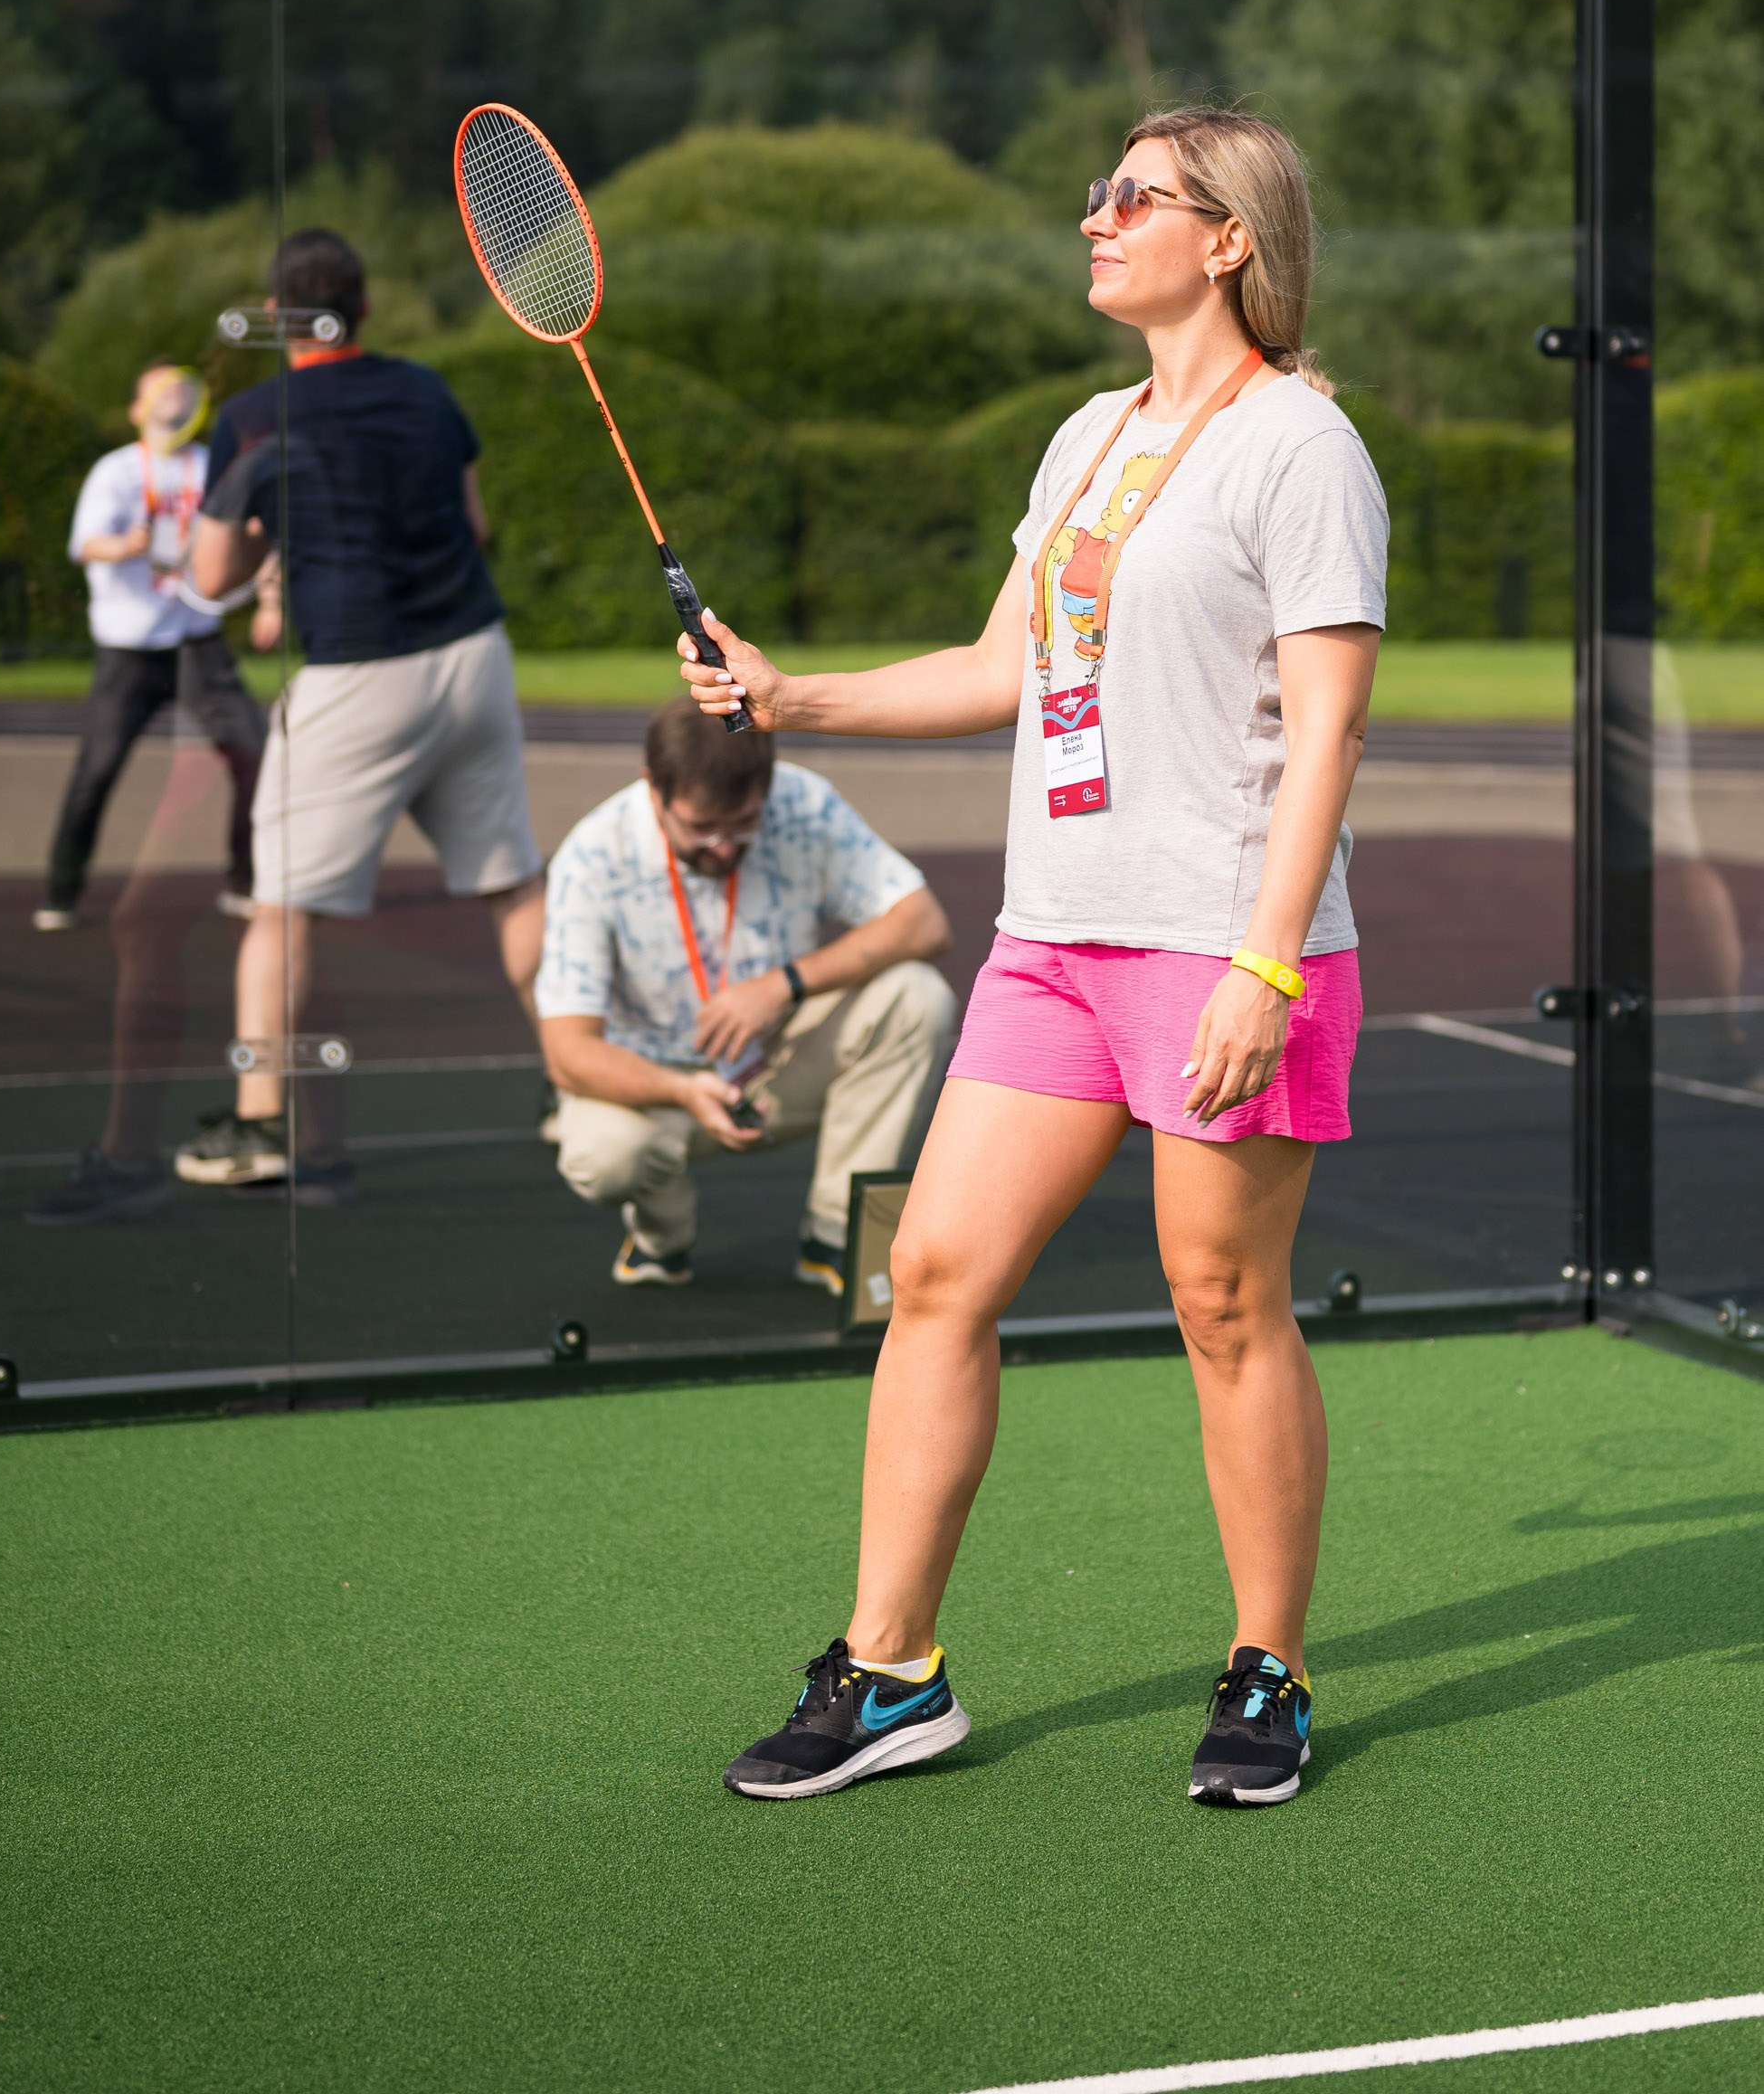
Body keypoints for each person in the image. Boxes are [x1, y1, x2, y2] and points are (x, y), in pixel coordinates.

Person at [681, 108, 1387, 1806]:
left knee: (1223, 1308)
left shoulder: (1303, 448)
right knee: (933, 1277)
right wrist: (796, 697)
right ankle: (891, 1674)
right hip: (1053, 940)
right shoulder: (1085, 434)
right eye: (1098, 192)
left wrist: (1265, 967)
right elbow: (1008, 663)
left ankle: (1269, 1671)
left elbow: (1332, 728)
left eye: (1134, 197)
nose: (1096, 216)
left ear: (1228, 238)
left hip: (1226, 948)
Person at [173, 226, 545, 1202]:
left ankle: (260, 1129)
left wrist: (267, 551)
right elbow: (475, 525)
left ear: (277, 317)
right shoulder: (426, 390)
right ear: (365, 309)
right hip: (474, 658)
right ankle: (576, 1085)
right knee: (512, 886)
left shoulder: (254, 418)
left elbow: (210, 580)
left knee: (281, 910)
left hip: (357, 676)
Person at [537, 697, 955, 1293]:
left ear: (768, 787)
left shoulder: (801, 802)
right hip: (656, 1087)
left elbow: (924, 924)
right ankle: (663, 1236)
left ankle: (837, 1241)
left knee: (917, 996)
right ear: (651, 788)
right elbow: (566, 1052)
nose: (725, 848)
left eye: (743, 826)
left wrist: (783, 984)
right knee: (603, 1155)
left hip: (774, 1064)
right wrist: (682, 1089)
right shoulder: (592, 856)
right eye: (701, 829)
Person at [35, 363, 267, 934]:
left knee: (255, 752)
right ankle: (61, 891)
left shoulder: (211, 466)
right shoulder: (115, 472)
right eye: (161, 393)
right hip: (132, 645)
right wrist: (126, 545)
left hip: (196, 637)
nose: (175, 402)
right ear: (137, 409)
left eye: (183, 393)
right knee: (98, 768)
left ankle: (246, 881)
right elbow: (85, 544)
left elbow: (252, 535)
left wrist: (268, 596)